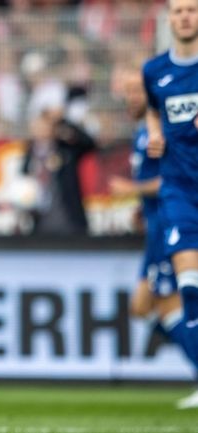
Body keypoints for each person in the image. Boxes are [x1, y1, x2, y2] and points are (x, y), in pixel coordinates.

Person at [110, 69, 198, 408]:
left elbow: (174, 180)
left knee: (163, 302)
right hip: (155, 225)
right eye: (129, 92)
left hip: (169, 227)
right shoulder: (142, 132)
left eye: (137, 92)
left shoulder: (162, 132)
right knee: (143, 306)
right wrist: (140, 204)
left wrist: (131, 190)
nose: (132, 98)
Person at [143, 0, 198, 408]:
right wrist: (154, 134)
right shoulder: (154, 71)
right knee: (189, 285)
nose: (185, 17)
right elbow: (151, 108)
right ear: (170, 19)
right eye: (179, 11)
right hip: (178, 189)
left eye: (192, 10)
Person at [20, 87, 97, 236]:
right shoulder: (30, 151)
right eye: (39, 123)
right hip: (40, 221)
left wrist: (63, 120)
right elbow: (24, 178)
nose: (41, 128)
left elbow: (90, 144)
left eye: (46, 123)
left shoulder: (66, 148)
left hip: (68, 220)